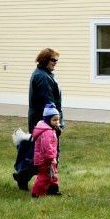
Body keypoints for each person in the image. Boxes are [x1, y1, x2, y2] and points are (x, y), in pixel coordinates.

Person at [24, 48, 63, 194]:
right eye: (53, 60)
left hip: (44, 121)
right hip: (46, 122)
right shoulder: (43, 77)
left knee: (43, 155)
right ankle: (28, 178)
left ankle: (51, 186)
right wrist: (56, 124)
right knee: (49, 155)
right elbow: (49, 103)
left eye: (56, 60)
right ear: (45, 60)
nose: (56, 63)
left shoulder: (45, 74)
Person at [30, 103, 61, 198]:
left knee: (53, 174)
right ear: (48, 120)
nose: (57, 122)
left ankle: (53, 189)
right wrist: (51, 158)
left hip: (49, 159)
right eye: (54, 120)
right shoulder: (46, 132)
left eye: (58, 119)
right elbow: (46, 147)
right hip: (45, 159)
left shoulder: (50, 129)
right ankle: (37, 193)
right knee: (44, 176)